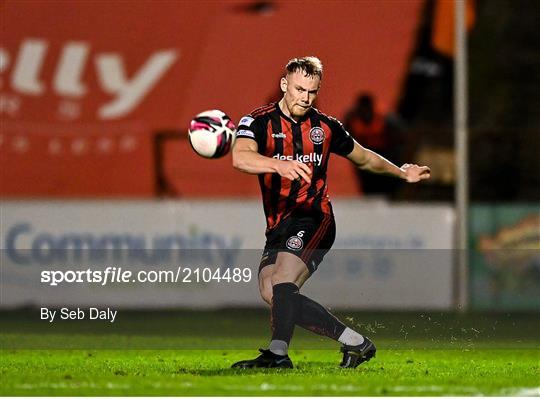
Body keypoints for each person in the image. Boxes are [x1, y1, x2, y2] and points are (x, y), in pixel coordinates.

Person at [231, 56, 430, 369]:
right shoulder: (257, 121)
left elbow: (364, 158)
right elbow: (241, 158)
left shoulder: (325, 127)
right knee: (272, 291)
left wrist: (401, 172)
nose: (305, 97)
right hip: (278, 225)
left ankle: (278, 355)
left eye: (312, 91)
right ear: (285, 85)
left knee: (283, 280)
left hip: (314, 217)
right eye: (299, 89)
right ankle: (356, 342)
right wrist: (279, 164)